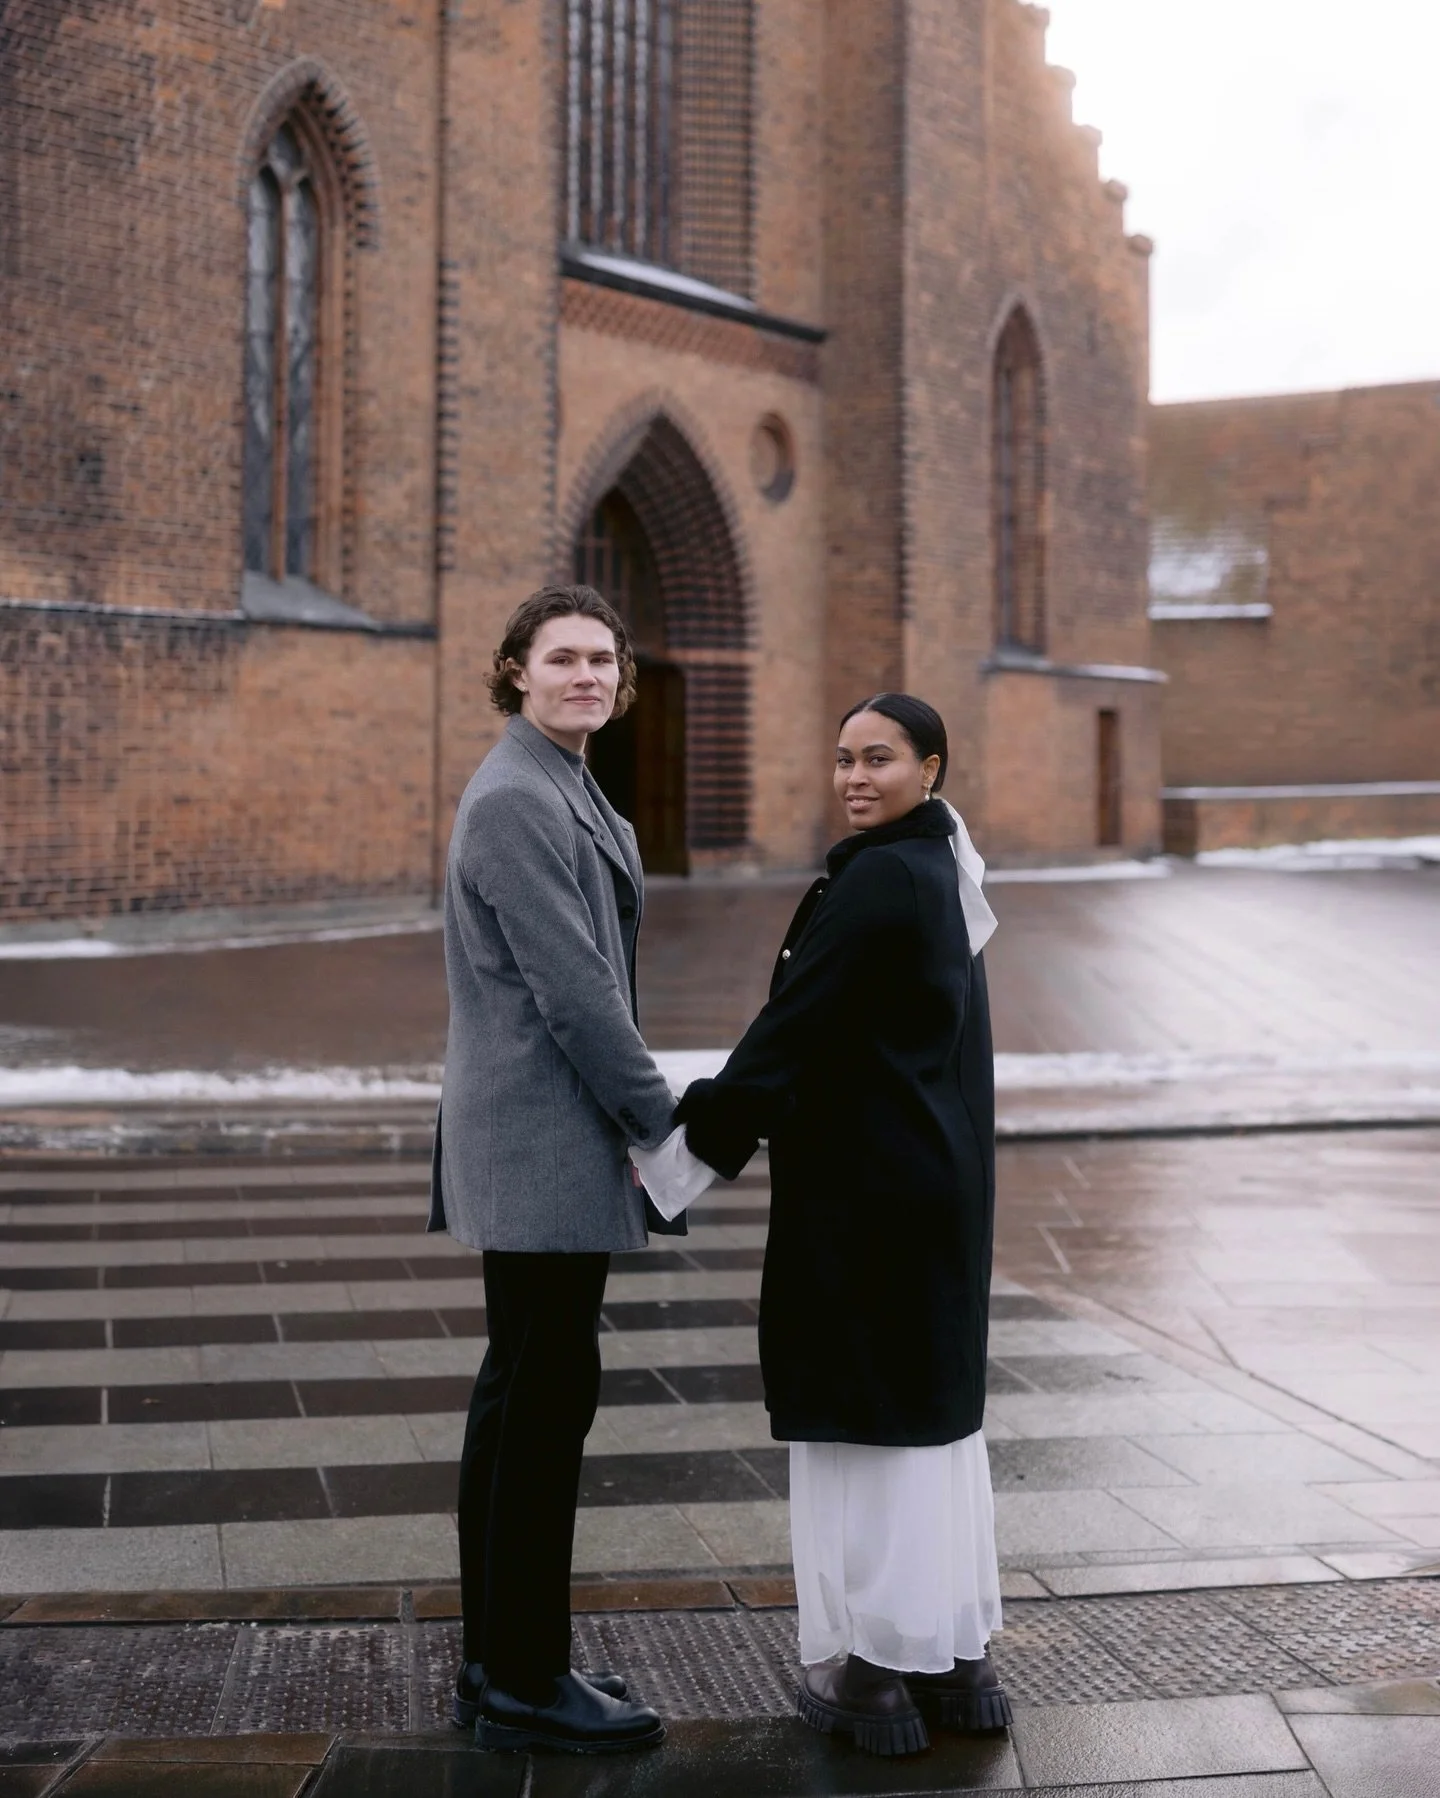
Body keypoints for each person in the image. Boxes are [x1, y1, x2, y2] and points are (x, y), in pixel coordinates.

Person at [672, 693, 1012, 1758]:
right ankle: (954, 1660)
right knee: (932, 1422)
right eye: (844, 758)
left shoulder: (878, 878)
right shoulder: (942, 866)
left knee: (870, 1430)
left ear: (934, 767)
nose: (856, 776)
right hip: (936, 1184)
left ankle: (874, 1670)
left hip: (869, 1195)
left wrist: (688, 1148)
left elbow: (792, 1030)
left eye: (881, 759)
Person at [428, 583, 676, 1755]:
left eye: (603, 661)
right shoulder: (519, 797)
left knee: (522, 1389)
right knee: (543, 1401)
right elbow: (576, 988)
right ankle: (525, 1678)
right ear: (516, 670)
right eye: (563, 658)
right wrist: (657, 1120)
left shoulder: (563, 781)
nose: (587, 676)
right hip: (543, 1135)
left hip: (541, 1132)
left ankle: (501, 1656)